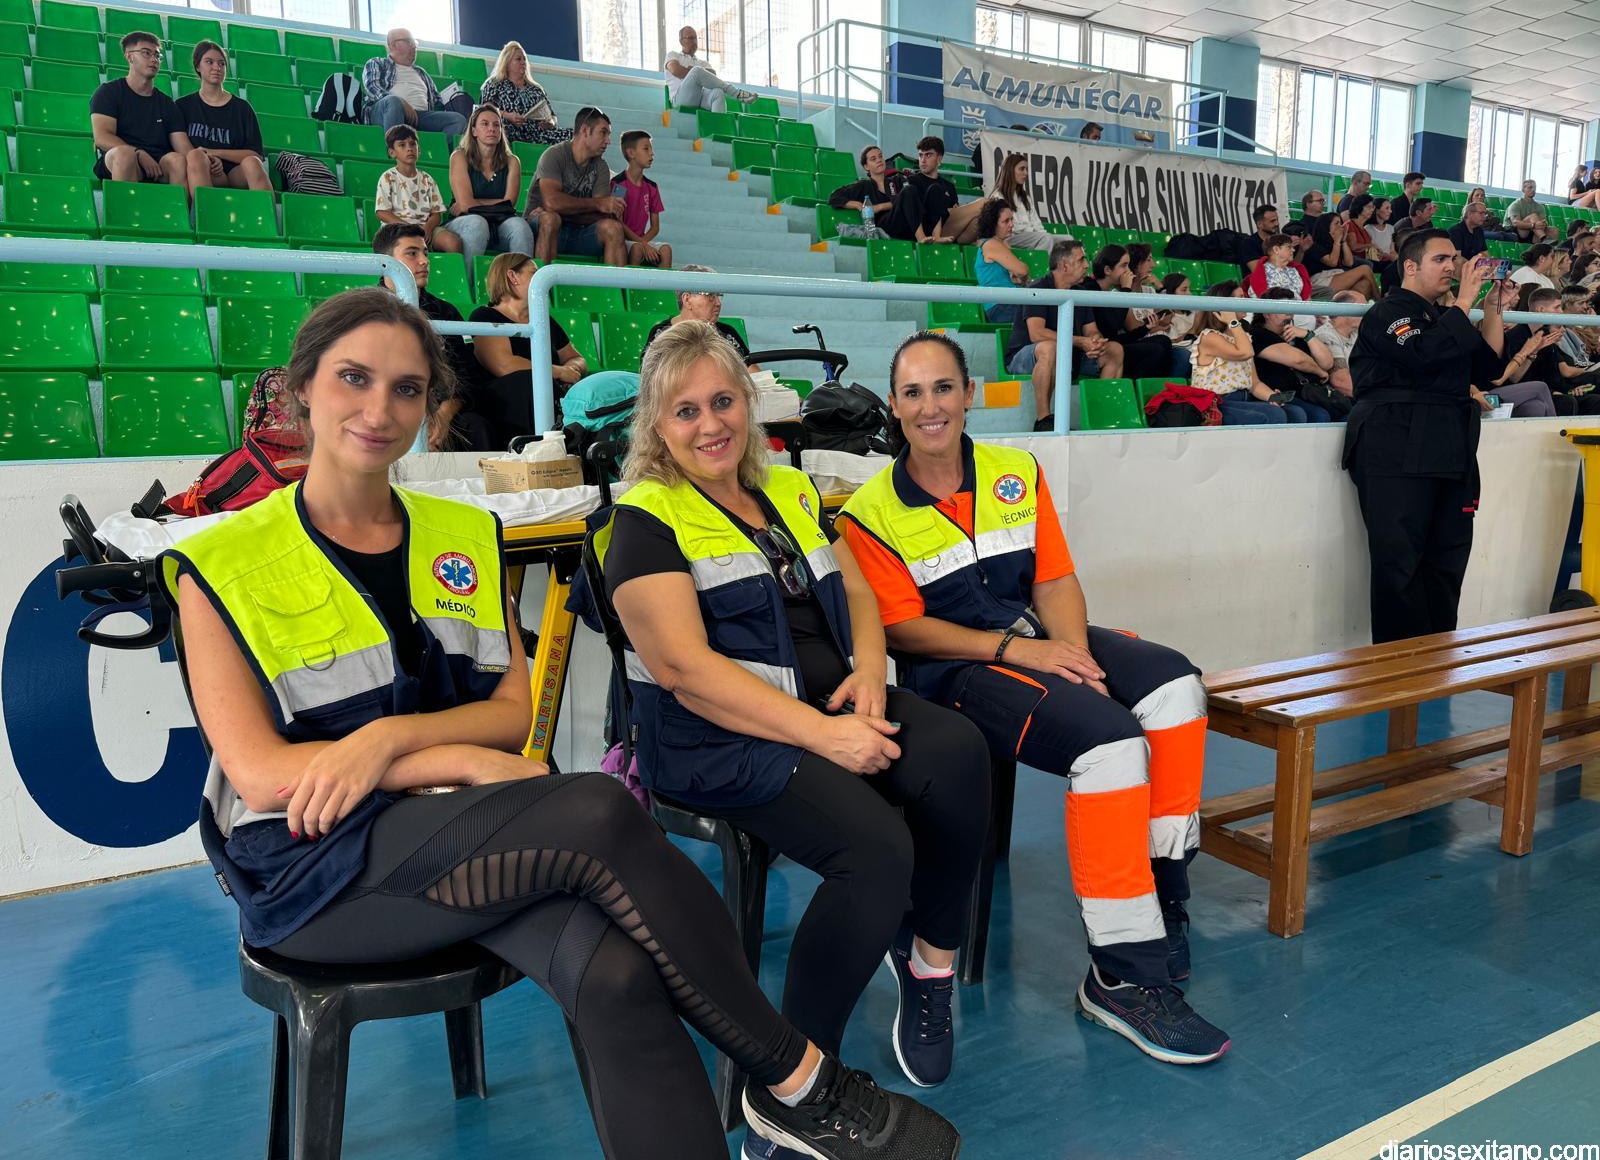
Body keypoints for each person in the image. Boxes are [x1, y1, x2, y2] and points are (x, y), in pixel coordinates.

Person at [162, 289, 960, 1160]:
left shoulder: (461, 534)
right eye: (354, 379)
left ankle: (788, 1089)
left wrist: (399, 745)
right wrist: (444, 759)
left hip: (457, 836)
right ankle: (798, 1081)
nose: (379, 409)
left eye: (406, 388)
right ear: (302, 388)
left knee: (619, 975)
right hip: (314, 867)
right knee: (596, 809)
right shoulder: (218, 561)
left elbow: (513, 714)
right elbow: (262, 776)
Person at [597, 321, 990, 1123]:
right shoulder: (644, 521)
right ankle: (795, 1091)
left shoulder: (788, 489)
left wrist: (871, 675)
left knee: (958, 752)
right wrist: (825, 736)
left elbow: (858, 591)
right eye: (684, 411)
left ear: (748, 404)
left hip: (830, 705)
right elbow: (683, 671)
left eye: (723, 401)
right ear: (656, 426)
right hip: (715, 741)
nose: (710, 424)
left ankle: (928, 964)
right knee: (876, 851)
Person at [837, 332, 1231, 1067]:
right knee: (1111, 744)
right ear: (894, 404)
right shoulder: (868, 512)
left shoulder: (1016, 471)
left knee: (1177, 688)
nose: (930, 406)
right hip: (957, 671)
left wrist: (1073, 655)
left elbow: (1053, 579)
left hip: (1037, 637)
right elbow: (903, 629)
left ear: (969, 394)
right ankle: (1121, 977)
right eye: (913, 392)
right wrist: (1022, 653)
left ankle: (1161, 896)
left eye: (944, 387)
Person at [1344, 230, 1505, 644]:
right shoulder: (1387, 312)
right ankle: (1400, 664)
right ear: (1411, 266)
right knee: (1399, 562)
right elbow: (1423, 353)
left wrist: (1491, 308)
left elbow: (1489, 369)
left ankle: (1438, 656)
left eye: (1454, 259)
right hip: (1395, 446)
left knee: (1448, 558)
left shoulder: (1441, 317)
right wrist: (1464, 301)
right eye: (1440, 259)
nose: (1451, 266)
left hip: (1447, 445)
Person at [372, 223, 486, 449]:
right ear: (385, 262)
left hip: (441, 409)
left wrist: (444, 414)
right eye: (412, 253)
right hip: (384, 409)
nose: (424, 261)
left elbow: (468, 375)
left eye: (425, 253)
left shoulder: (446, 312)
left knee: (477, 426)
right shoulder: (365, 312)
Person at [469, 252, 587, 442]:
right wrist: (558, 372)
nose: (542, 281)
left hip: (548, 397)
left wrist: (572, 368)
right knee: (525, 382)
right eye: (534, 273)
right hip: (506, 405)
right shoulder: (484, 316)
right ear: (512, 276)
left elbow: (576, 357)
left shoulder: (543, 320)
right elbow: (503, 365)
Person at [1004, 238, 1104, 430]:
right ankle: (1044, 420)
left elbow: (1091, 329)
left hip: (1070, 353)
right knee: (1050, 348)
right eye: (1081, 260)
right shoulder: (1037, 289)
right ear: (1064, 265)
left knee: (1114, 351)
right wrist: (1081, 341)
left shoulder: (1080, 292)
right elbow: (1037, 334)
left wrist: (1095, 341)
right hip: (1025, 357)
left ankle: (1098, 419)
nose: (1086, 265)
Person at [436, 104, 534, 276]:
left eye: (496, 125)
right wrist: (496, 204)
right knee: (477, 223)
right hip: (463, 223)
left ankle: (524, 287)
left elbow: (510, 203)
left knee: (520, 226)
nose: (492, 129)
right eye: (485, 124)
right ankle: (467, 286)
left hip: (499, 223)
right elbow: (466, 206)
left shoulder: (512, 161)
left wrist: (475, 203)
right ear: (474, 131)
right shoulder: (459, 156)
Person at [90, 32, 193, 189]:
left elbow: (183, 146)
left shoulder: (167, 104)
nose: (154, 59)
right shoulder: (108, 92)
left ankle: (177, 206)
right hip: (119, 159)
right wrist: (138, 152)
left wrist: (204, 160)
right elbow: (102, 137)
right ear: (129, 57)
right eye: (146, 53)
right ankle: (125, 205)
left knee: (177, 160)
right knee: (125, 155)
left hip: (158, 165)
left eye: (157, 55)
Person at [525, 106, 626, 266]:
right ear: (585, 130)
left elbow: (603, 214)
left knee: (613, 228)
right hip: (543, 230)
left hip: (579, 232)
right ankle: (542, 281)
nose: (608, 141)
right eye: (603, 133)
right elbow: (553, 202)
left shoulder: (601, 166)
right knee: (551, 219)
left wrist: (564, 211)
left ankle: (613, 283)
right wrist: (597, 204)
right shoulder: (554, 155)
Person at [1188, 298, 1301, 425]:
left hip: (1244, 398)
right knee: (1274, 414)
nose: (1244, 301)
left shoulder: (1243, 338)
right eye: (1239, 297)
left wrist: (1273, 397)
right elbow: (1246, 353)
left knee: (1296, 413)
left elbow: (1255, 384)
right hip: (1217, 402)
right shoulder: (1209, 336)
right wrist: (1232, 321)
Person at [177, 40, 270, 192]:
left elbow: (255, 154)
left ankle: (266, 208)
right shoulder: (183, 106)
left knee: (252, 163)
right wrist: (209, 159)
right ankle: (205, 207)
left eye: (221, 63)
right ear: (197, 66)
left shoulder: (242, 108)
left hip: (235, 174)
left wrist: (215, 152)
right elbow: (179, 146)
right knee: (196, 156)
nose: (217, 68)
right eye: (209, 62)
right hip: (202, 169)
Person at [1248, 289, 1341, 422]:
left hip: (1310, 392)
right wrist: (1319, 372)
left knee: (1344, 411)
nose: (1289, 316)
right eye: (1283, 310)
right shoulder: (1257, 334)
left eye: (1291, 310)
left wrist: (1308, 335)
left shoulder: (1296, 333)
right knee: (1320, 415)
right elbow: (1298, 360)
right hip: (1283, 394)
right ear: (1266, 314)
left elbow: (1327, 363)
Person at [1087, 245, 1175, 379]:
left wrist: (1146, 328)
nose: (1128, 270)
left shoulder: (1107, 292)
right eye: (1124, 265)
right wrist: (1126, 290)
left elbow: (1115, 335)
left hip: (1114, 343)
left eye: (1128, 265)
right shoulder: (1096, 291)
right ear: (1107, 270)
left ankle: (1155, 388)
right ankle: (1139, 388)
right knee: (1155, 350)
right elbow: (1114, 325)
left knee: (1163, 341)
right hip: (1101, 349)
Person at [374, 124, 462, 257]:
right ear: (392, 152)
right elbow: (382, 212)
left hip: (424, 229)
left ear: (418, 150)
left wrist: (428, 227)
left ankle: (452, 271)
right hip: (397, 228)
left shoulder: (427, 179)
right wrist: (409, 228)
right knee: (407, 249)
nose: (409, 149)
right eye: (402, 145)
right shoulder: (388, 177)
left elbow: (436, 214)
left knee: (452, 242)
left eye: (412, 144)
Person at [1475, 280, 1559, 418]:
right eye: (1508, 310)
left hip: (1500, 393)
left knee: (1535, 406)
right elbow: (1497, 379)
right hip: (1483, 397)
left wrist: (1533, 352)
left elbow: (1514, 378)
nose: (1511, 315)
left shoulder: (1504, 339)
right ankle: (1556, 429)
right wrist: (1524, 352)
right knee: (1540, 387)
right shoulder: (1477, 339)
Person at [1513, 286, 1600, 415]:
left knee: (1594, 400)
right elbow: (1516, 378)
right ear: (1541, 310)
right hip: (1536, 392)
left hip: (1559, 390)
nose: (1561, 312)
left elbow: (1555, 377)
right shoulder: (1520, 335)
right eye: (1557, 307)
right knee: (1567, 402)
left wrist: (1572, 389)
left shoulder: (1547, 338)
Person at [362, 27, 466, 135]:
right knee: (393, 102)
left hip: (420, 117)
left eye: (414, 43)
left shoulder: (422, 73)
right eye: (409, 42)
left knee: (458, 120)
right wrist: (402, 103)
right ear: (392, 45)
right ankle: (396, 144)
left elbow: (438, 102)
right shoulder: (377, 63)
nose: (414, 47)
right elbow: (373, 88)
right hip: (387, 112)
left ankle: (436, 147)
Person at [643, 264, 751, 362]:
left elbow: (749, 367)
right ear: (687, 300)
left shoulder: (727, 333)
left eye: (719, 295)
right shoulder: (661, 335)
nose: (718, 303)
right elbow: (650, 373)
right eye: (710, 295)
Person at [479, 41, 572, 146]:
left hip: (541, 133)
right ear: (507, 62)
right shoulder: (495, 84)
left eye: (524, 59)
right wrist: (508, 116)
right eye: (518, 59)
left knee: (574, 135)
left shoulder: (536, 89)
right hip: (514, 132)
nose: (523, 62)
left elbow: (552, 115)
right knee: (504, 129)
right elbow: (487, 109)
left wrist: (551, 123)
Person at [902, 136, 987, 245]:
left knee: (979, 221)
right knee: (984, 203)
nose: (923, 160)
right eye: (920, 155)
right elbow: (914, 210)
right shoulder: (912, 181)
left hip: (949, 229)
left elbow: (953, 211)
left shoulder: (949, 186)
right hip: (927, 229)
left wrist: (955, 209)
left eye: (928, 155)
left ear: (939, 159)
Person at [611, 131, 673, 269]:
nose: (652, 153)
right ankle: (629, 283)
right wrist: (643, 244)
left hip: (641, 239)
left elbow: (655, 227)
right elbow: (618, 223)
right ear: (631, 153)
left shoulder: (652, 187)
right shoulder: (619, 184)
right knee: (637, 249)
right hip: (623, 240)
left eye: (651, 149)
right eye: (646, 149)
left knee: (666, 250)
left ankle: (660, 284)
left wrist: (644, 242)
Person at [664, 26, 757, 112]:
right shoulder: (673, 55)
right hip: (680, 99)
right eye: (691, 38)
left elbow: (713, 75)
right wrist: (695, 73)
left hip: (700, 98)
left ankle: (718, 124)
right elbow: (676, 71)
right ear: (681, 41)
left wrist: (690, 71)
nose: (694, 41)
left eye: (696, 38)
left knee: (718, 92)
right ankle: (735, 93)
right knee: (697, 71)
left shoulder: (702, 63)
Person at [974, 200, 1031, 324]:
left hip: (1010, 303)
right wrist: (1022, 273)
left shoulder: (1002, 243)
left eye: (1011, 220)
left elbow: (1020, 276)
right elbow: (1022, 270)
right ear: (993, 224)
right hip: (1002, 306)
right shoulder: (991, 244)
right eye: (1006, 221)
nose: (1011, 224)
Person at [1304, 213, 1380, 299]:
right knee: (1365, 268)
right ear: (1326, 226)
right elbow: (1332, 262)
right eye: (1336, 223)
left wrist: (1343, 241)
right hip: (1321, 279)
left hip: (1337, 275)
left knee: (1364, 284)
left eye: (1340, 223)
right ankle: (1379, 300)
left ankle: (1354, 306)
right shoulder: (1315, 246)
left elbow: (1349, 262)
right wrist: (1337, 241)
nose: (1340, 227)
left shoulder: (1337, 244)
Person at [990, 152, 1052, 251]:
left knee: (1067, 240)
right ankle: (1036, 260)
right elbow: (1004, 228)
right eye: (1022, 169)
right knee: (1046, 238)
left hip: (1031, 237)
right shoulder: (998, 196)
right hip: (1010, 238)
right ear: (1010, 170)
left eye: (1026, 169)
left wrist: (1042, 235)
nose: (1026, 173)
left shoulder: (1025, 197)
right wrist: (1038, 236)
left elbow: (1037, 224)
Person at [1313, 290, 1365, 398]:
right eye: (1362, 308)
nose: (1366, 312)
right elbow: (1341, 382)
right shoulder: (1326, 335)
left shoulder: (1358, 332)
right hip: (1348, 398)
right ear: (1344, 311)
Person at [1244, 233, 1311, 299]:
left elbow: (1307, 297)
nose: (1293, 250)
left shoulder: (1296, 270)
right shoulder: (1260, 275)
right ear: (1276, 249)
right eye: (1289, 247)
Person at [1238, 204, 1281, 274]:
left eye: (1277, 220)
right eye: (1272, 221)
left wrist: (1300, 250)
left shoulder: (1279, 241)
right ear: (1259, 224)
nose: (1277, 223)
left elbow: (1293, 267)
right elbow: (1258, 272)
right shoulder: (1249, 243)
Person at [1448, 200, 1488, 268]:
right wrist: (1473, 266)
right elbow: (1456, 258)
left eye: (1485, 213)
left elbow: (1484, 253)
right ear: (1469, 214)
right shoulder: (1456, 231)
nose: (1484, 216)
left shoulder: (1479, 230)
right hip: (1458, 267)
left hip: (1472, 265)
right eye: (1481, 213)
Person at [1366, 198, 1397, 263]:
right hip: (1376, 263)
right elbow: (1372, 254)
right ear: (1377, 210)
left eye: (1390, 208)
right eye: (1387, 208)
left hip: (1389, 261)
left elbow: (1392, 251)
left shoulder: (1391, 228)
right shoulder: (1368, 229)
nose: (1390, 211)